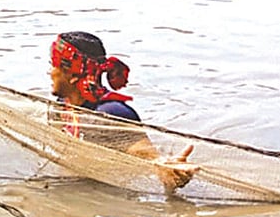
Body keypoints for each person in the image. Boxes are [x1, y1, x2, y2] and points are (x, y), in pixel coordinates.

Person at [48, 31, 197, 192]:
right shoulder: (62, 105)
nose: (50, 72)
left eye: (53, 65)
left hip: (107, 196)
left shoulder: (111, 113)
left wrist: (170, 171)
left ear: (72, 74)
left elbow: (150, 159)